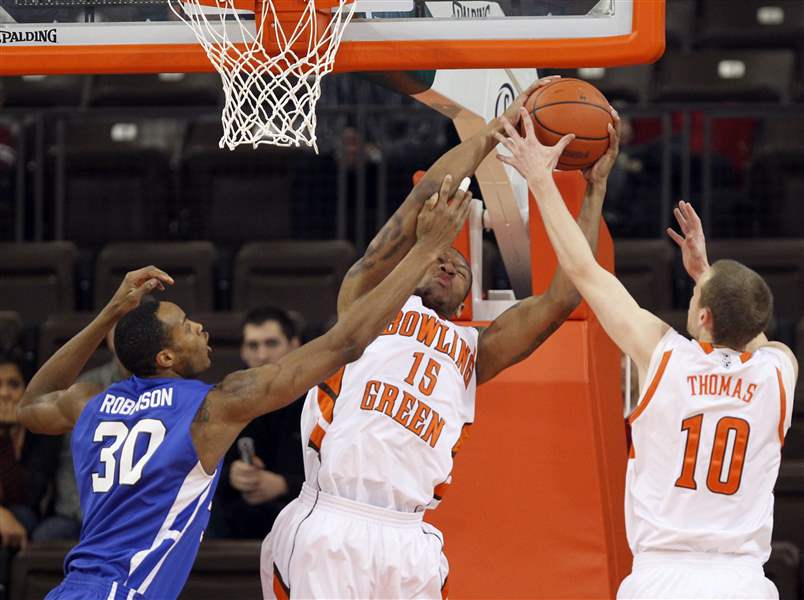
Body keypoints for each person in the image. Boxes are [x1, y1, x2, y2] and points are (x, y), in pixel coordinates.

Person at [18, 183, 471, 600]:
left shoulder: (90, 404)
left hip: (73, 587)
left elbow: (30, 404)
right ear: (166, 359)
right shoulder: (207, 408)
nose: (199, 326)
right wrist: (426, 247)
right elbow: (346, 342)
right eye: (185, 327)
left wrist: (107, 315)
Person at [260, 75, 609, 599]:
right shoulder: (368, 300)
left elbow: (563, 296)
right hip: (333, 516)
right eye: (440, 257)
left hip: (411, 538)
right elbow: (427, 195)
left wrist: (595, 186)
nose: (449, 264)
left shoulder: (474, 351)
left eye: (459, 268)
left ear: (467, 299)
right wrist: (494, 133)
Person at [496, 108, 797, 598]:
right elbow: (751, 327)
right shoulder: (781, 370)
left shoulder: (663, 355)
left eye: (698, 296)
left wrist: (539, 179)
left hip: (663, 576)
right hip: (742, 582)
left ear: (703, 318)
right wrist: (708, 277)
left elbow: (583, 269)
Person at [211, 307, 305, 539]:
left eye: (271, 343)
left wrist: (285, 485)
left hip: (302, 521)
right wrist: (231, 475)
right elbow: (194, 470)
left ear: (295, 345)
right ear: (243, 351)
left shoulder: (319, 397)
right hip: (237, 524)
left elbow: (340, 474)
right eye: (253, 345)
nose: (262, 355)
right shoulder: (222, 400)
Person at [32, 327, 128, 542]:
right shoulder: (83, 390)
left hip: (144, 514)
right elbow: (70, 465)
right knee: (48, 535)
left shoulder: (173, 390)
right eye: (123, 327)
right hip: (81, 513)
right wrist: (89, 514)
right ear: (109, 338)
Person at [0, 354, 60, 599]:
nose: (4, 394)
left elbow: (27, 494)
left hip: (27, 518)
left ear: (27, 390)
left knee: (22, 515)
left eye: (13, 385)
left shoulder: (43, 432)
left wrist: (5, 436)